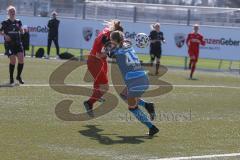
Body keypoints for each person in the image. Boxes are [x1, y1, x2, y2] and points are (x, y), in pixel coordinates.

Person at [108, 31, 159, 136]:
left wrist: (107, 47)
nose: (110, 42)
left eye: (111, 40)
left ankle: (152, 128)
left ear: (115, 41)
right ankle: (147, 105)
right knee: (124, 94)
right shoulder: (128, 45)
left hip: (135, 82)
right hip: (143, 78)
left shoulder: (117, 51)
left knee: (132, 108)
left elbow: (109, 53)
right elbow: (122, 45)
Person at [83, 20, 123, 117]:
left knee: (101, 83)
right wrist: (110, 52)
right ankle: (89, 102)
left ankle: (97, 96)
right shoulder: (105, 38)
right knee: (105, 87)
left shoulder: (108, 32)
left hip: (100, 60)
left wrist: (113, 50)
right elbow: (98, 54)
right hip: (95, 61)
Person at [0, 5, 25, 85]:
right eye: (11, 11)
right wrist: (5, 35)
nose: (12, 13)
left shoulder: (18, 22)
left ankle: (18, 76)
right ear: (8, 13)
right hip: (9, 44)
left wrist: (22, 30)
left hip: (18, 43)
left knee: (21, 59)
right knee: (13, 60)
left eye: (13, 11)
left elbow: (22, 31)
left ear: (15, 13)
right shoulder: (5, 22)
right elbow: (0, 31)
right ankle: (11, 78)